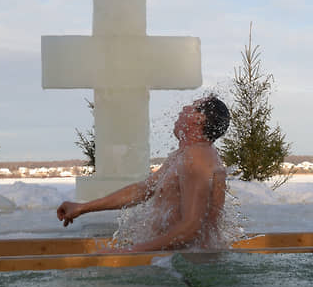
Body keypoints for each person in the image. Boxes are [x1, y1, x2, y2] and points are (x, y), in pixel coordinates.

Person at [57, 96, 231, 253]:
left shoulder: (197, 158)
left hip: (185, 271)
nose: (184, 108)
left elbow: (192, 227)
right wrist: (82, 208)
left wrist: (132, 252)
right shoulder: (184, 155)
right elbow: (142, 190)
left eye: (192, 105)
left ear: (199, 119)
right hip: (173, 264)